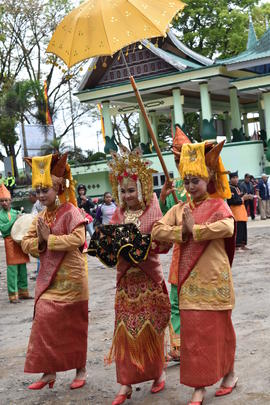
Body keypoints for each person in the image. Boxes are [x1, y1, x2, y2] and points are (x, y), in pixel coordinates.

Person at [152, 141, 237, 405]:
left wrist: (197, 231)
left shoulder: (218, 205)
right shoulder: (180, 210)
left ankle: (230, 374)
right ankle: (198, 386)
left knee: (220, 332)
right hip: (188, 283)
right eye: (186, 181)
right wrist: (182, 232)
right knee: (193, 337)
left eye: (195, 181)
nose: (190, 187)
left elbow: (228, 227)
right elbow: (156, 230)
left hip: (214, 280)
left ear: (209, 177)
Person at [96, 146, 171, 405]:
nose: (127, 196)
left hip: (150, 280)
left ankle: (158, 374)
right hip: (126, 283)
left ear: (142, 188)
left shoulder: (153, 209)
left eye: (131, 190)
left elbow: (164, 245)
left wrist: (146, 242)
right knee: (125, 331)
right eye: (123, 191)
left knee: (152, 332)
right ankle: (125, 383)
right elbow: (111, 244)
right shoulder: (117, 213)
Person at [21, 153, 88, 390]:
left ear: (58, 187)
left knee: (74, 325)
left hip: (73, 278)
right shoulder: (39, 216)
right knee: (44, 319)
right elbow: (25, 242)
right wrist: (39, 242)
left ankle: (80, 369)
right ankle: (49, 372)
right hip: (50, 281)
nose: (40, 196)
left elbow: (79, 239)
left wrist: (50, 239)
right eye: (38, 191)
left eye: (45, 190)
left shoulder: (71, 211)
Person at [159, 125, 191, 362]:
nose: (177, 162)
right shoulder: (176, 185)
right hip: (179, 253)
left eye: (180, 157)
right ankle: (178, 347)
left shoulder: (203, 184)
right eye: (175, 158)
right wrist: (164, 198)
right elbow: (164, 220)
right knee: (175, 302)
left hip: (199, 251)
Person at [0, 184, 31, 303]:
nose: (4, 203)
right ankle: (13, 295)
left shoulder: (15, 212)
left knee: (22, 268)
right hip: (9, 243)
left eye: (6, 200)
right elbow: (4, 229)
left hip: (19, 242)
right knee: (12, 270)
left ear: (10, 200)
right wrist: (15, 219)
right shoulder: (1, 215)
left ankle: (23, 292)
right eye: (2, 201)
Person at [227, 171, 249, 251]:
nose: (236, 179)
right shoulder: (229, 189)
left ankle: (243, 244)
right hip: (235, 211)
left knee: (243, 228)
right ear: (230, 179)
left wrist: (247, 197)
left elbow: (241, 197)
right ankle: (237, 246)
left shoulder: (239, 187)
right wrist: (242, 199)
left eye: (236, 177)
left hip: (242, 211)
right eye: (234, 178)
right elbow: (231, 201)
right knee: (238, 229)